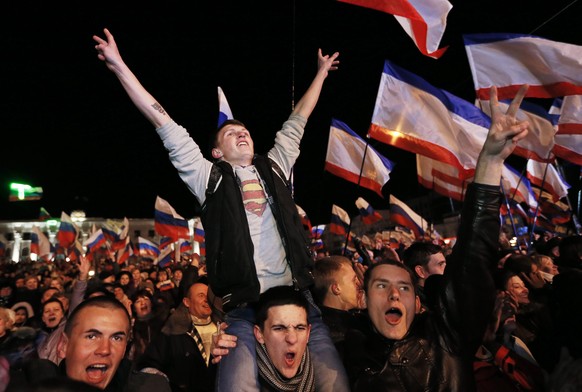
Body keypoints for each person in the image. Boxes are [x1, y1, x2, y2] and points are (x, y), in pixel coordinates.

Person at [93, 28, 347, 392]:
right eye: (231, 133)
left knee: (334, 384)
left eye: (245, 131)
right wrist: (119, 66)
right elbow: (161, 119)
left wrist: (321, 73)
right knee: (235, 385)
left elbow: (299, 120)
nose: (241, 133)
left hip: (299, 299)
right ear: (216, 151)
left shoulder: (275, 165)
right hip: (245, 307)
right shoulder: (207, 177)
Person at [343, 84, 531, 391]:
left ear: (418, 303)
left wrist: (490, 163)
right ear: (362, 300)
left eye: (403, 287)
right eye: (381, 286)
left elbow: (473, 257)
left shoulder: (446, 339)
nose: (393, 296)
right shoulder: (342, 363)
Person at [7, 296, 171, 391]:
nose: (104, 350)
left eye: (116, 338)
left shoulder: (150, 388)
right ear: (63, 346)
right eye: (92, 336)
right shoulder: (22, 386)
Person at [137, 278, 218, 391]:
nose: (206, 299)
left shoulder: (223, 328)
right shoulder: (172, 330)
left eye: (208, 295)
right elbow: (149, 364)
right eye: (201, 295)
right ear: (187, 302)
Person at [253, 286, 313, 391]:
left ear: (308, 333)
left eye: (300, 328)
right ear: (259, 334)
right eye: (279, 328)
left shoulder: (323, 375)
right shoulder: (244, 376)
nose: (292, 339)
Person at [312, 256, 364, 359]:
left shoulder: (354, 320)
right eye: (354, 280)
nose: (359, 284)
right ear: (336, 288)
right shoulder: (336, 339)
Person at [401, 241, 446, 311]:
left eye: (445, 264)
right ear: (421, 271)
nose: (446, 269)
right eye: (440, 264)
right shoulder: (417, 308)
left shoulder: (438, 297)